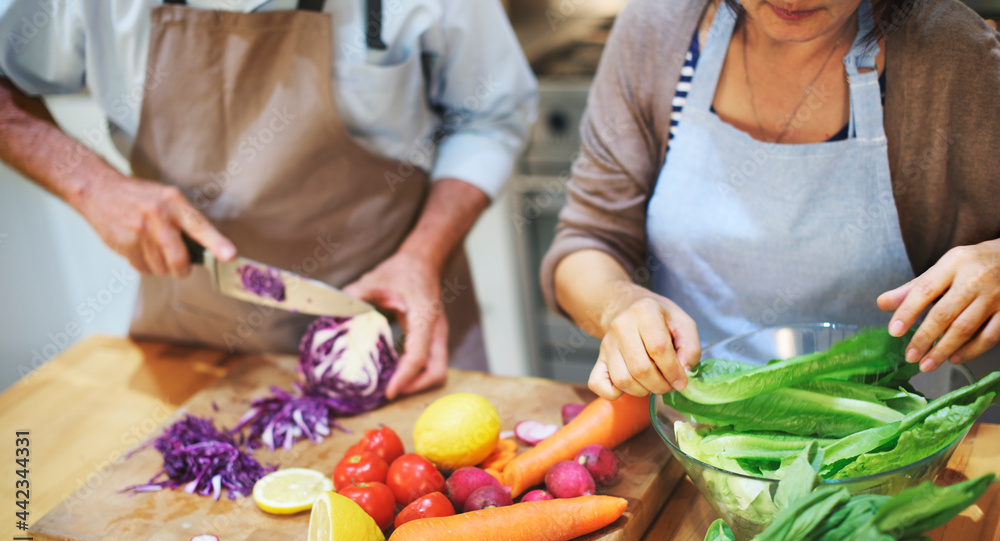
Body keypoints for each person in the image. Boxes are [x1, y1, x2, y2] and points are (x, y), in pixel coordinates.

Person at [0, 0, 537, 400]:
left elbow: (492, 114)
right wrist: (92, 185)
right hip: (194, 338)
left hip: (395, 329)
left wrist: (423, 254)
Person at [541, 0, 1000, 401]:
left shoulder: (953, 55)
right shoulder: (655, 31)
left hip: (888, 445)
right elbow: (586, 241)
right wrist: (618, 304)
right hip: (694, 437)